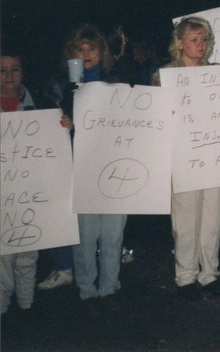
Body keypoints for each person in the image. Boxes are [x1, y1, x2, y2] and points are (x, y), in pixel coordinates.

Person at [47, 24, 130, 303]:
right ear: (71, 52)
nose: (86, 54)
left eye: (91, 48)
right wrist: (64, 123)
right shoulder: (60, 84)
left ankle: (109, 285)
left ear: (102, 51)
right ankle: (86, 287)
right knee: (86, 233)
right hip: (79, 167)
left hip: (113, 166)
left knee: (113, 232)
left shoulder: (116, 80)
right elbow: (48, 126)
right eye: (80, 49)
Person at [152, 16, 220, 299]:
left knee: (212, 216)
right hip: (182, 155)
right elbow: (154, 117)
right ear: (180, 42)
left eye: (204, 39)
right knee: (185, 217)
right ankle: (185, 275)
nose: (200, 44)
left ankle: (209, 273)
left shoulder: (218, 72)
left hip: (213, 153)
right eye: (194, 39)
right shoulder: (165, 75)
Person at [0, 48, 49, 314]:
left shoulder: (40, 105)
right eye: (2, 69)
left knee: (29, 252)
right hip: (2, 194)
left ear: (23, 72)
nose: (8, 75)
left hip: (30, 193)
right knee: (3, 254)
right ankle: (2, 307)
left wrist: (62, 125)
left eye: (14, 69)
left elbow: (52, 144)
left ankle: (27, 304)